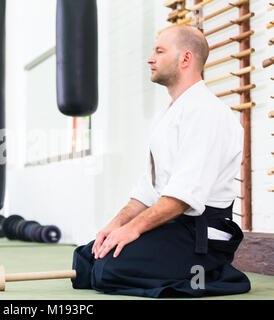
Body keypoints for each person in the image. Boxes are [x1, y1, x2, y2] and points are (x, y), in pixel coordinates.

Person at [71, 25, 251, 298]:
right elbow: (147, 191)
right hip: (175, 226)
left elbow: (181, 198)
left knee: (108, 269)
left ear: (185, 59)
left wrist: (133, 230)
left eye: (159, 51)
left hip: (201, 236)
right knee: (86, 258)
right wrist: (115, 226)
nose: (150, 58)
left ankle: (215, 273)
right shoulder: (170, 114)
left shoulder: (206, 113)